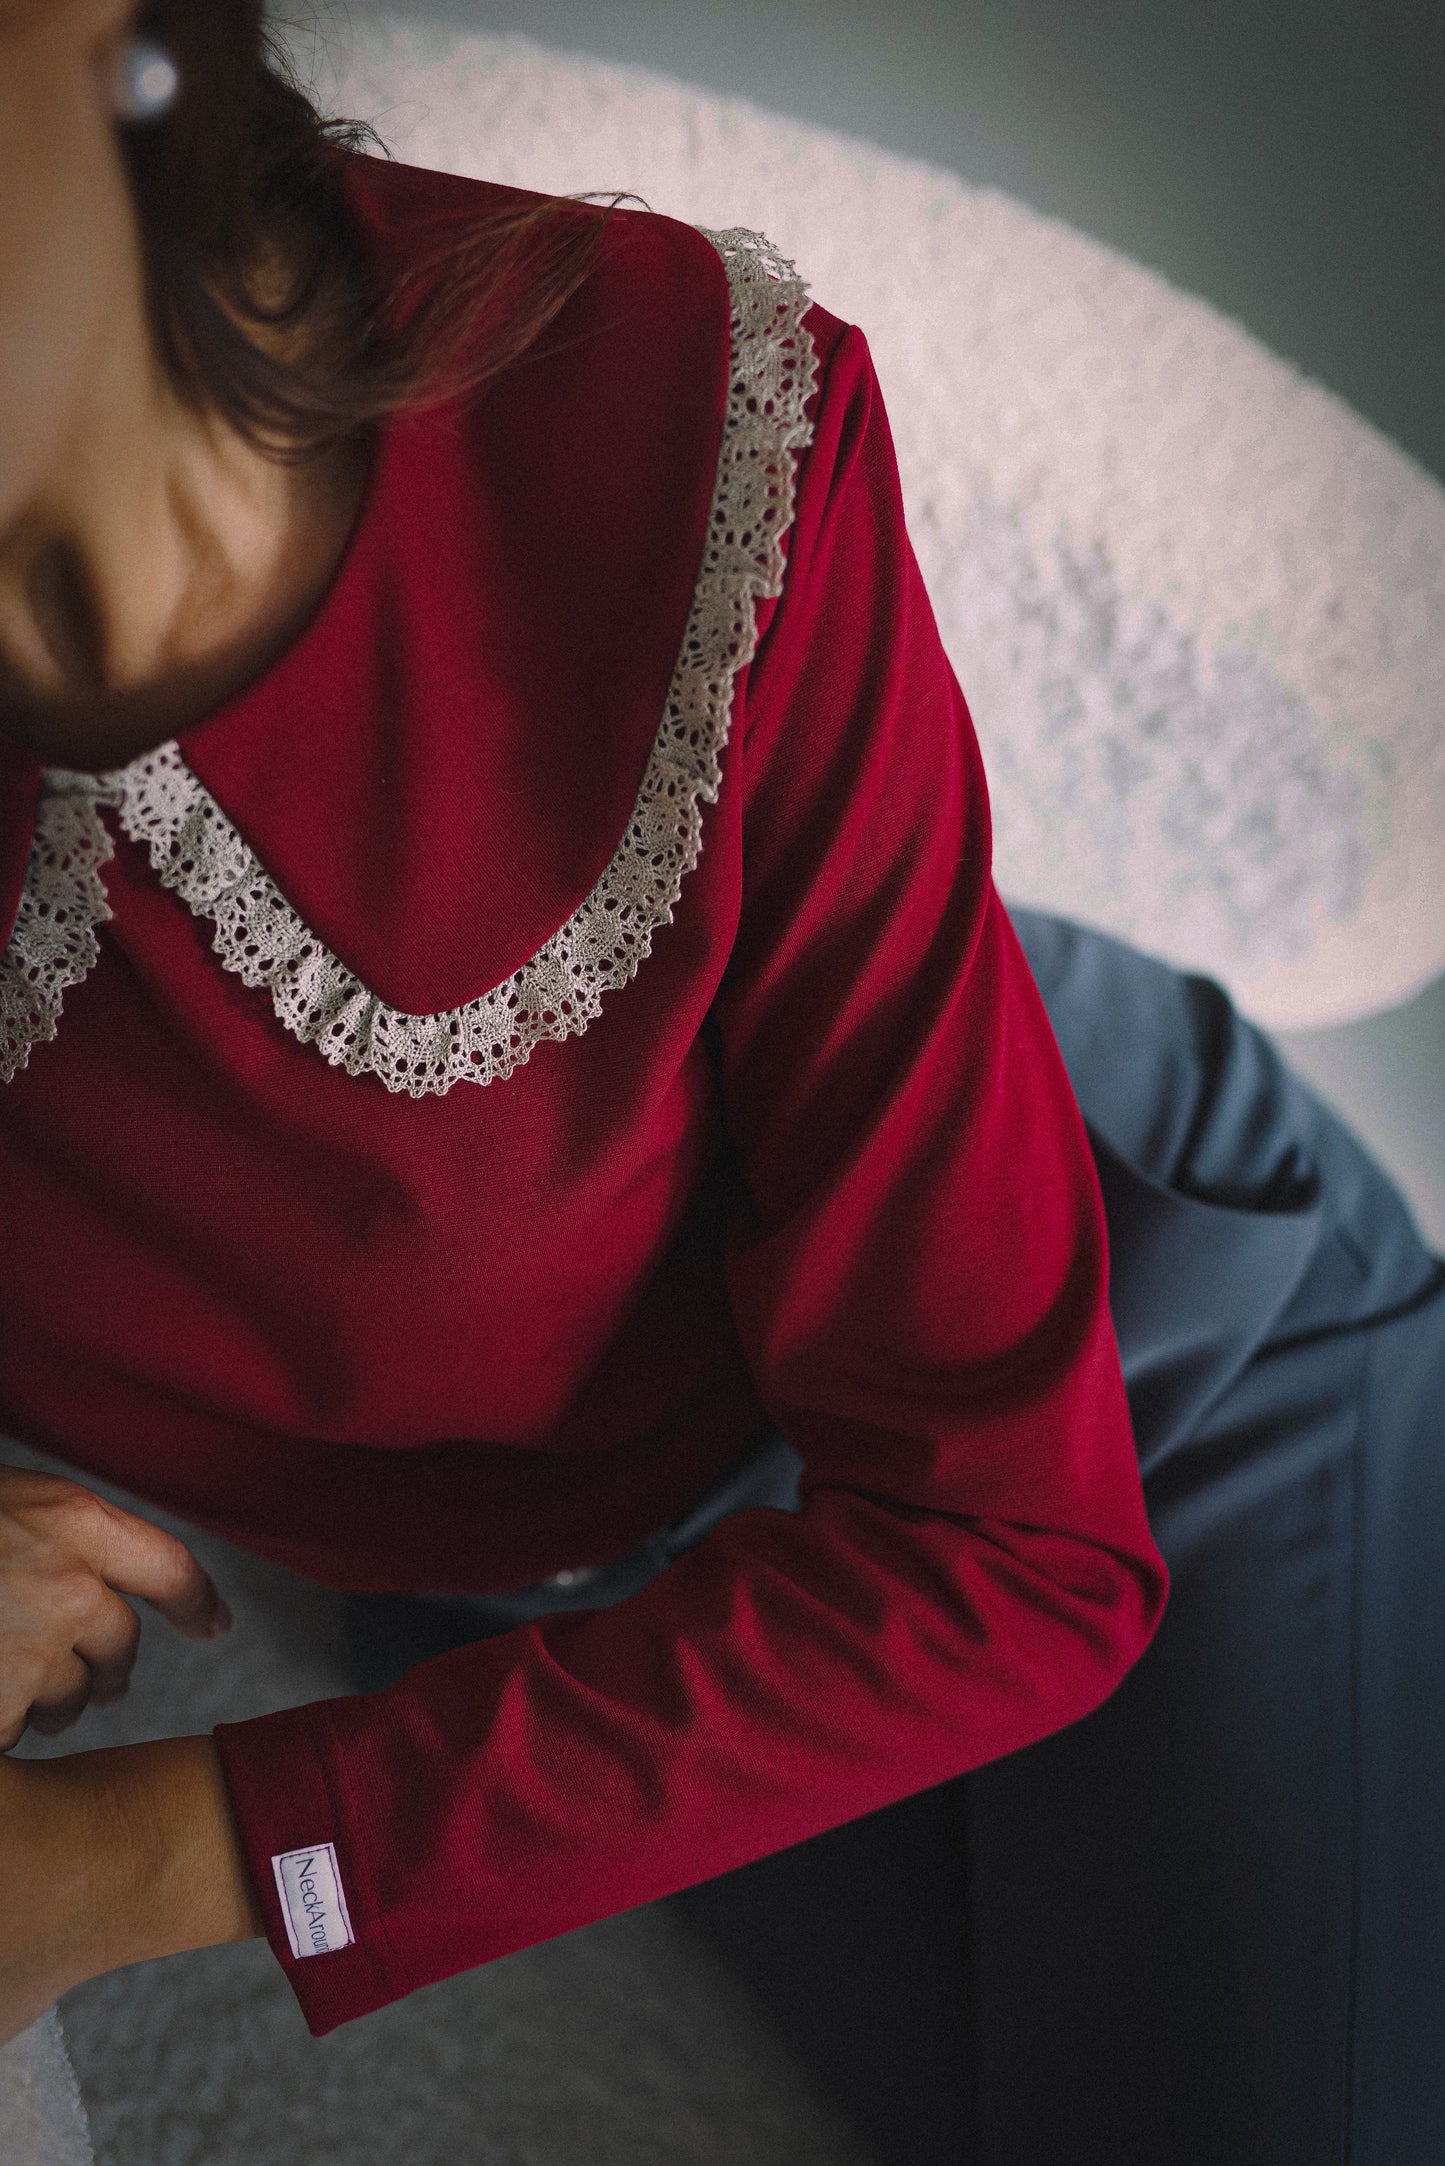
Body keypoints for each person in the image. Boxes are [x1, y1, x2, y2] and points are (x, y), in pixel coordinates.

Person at [0, 7, 1439, 2163]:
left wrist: (113, 1867)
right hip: (589, 1593)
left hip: (1151, 1374)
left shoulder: (659, 406)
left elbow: (1015, 1552)